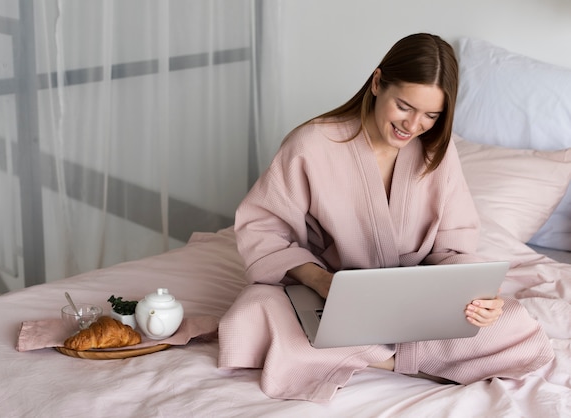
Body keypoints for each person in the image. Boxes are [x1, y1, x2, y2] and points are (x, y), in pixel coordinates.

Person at [218, 33, 554, 402]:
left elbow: (454, 245)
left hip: (416, 299)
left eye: (431, 115)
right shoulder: (310, 144)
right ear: (378, 83)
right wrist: (322, 281)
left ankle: (376, 359)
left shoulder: (436, 153)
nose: (413, 125)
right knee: (250, 314)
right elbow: (263, 229)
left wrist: (476, 297)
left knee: (515, 324)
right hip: (327, 297)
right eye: (405, 106)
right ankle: (417, 361)